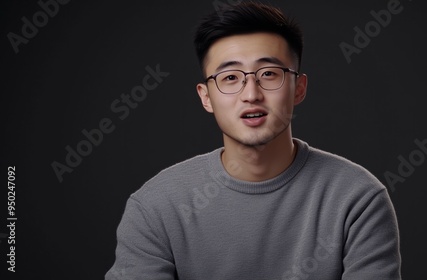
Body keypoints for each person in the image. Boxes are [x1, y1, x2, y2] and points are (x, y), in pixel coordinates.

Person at [105, 2, 401, 279]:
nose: (251, 94)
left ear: (299, 88)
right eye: (231, 78)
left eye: (269, 73)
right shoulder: (156, 207)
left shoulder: (357, 200)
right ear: (206, 97)